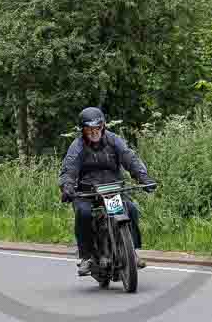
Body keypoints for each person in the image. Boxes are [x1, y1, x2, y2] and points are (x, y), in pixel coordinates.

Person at [59, 107, 157, 276]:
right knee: (83, 213)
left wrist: (144, 178)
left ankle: (131, 252)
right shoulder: (77, 146)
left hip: (112, 189)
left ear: (103, 126)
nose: (94, 132)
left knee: (131, 209)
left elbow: (130, 158)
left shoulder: (114, 140)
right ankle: (87, 257)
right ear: (83, 129)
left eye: (97, 128)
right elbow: (69, 169)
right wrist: (67, 187)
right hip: (87, 193)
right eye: (89, 129)